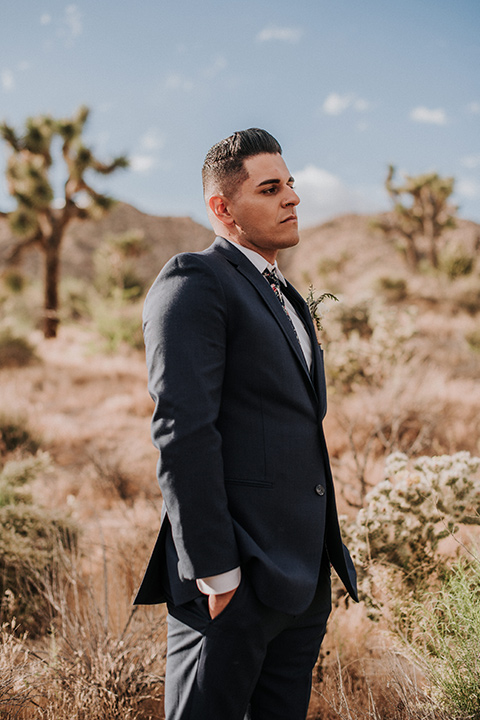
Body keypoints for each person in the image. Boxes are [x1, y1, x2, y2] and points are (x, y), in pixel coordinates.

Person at [134, 128, 357, 720]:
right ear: (222, 207)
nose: (292, 198)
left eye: (291, 184)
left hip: (300, 580)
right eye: (271, 187)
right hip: (233, 580)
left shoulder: (283, 293)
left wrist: (317, 574)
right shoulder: (194, 281)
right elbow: (183, 431)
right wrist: (216, 573)